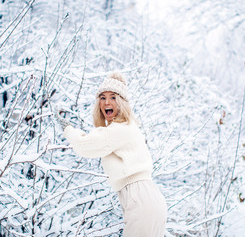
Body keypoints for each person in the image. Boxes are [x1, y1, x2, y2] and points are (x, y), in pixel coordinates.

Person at [55, 72, 167, 237]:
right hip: (146, 199)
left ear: (122, 102)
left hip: (141, 200)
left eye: (113, 97)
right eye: (102, 97)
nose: (107, 102)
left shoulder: (120, 129)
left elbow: (83, 145)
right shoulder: (125, 127)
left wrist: (67, 128)